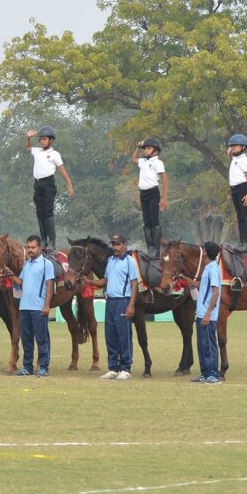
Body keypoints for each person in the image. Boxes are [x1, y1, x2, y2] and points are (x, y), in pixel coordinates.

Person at [89, 233, 139, 380]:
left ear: (124, 245)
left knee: (124, 335)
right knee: (110, 335)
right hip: (110, 301)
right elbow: (105, 280)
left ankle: (126, 368)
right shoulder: (110, 260)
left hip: (123, 301)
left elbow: (134, 284)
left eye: (118, 244)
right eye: (113, 244)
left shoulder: (129, 261)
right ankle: (113, 368)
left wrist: (131, 306)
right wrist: (90, 282)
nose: (115, 247)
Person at [11, 235, 55, 377]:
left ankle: (43, 366)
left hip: (39, 307)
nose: (30, 250)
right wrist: (10, 274)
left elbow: (49, 285)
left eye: (33, 247)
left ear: (40, 248)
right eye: (28, 247)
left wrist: (47, 305)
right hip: (24, 307)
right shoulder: (27, 264)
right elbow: (21, 282)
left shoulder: (46, 264)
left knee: (41, 338)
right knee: (26, 338)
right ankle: (27, 367)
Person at [25, 127, 75, 251]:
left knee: (48, 212)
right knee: (39, 212)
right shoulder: (37, 151)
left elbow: (62, 170)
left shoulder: (54, 154)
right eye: (41, 139)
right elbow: (28, 147)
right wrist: (28, 137)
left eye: (45, 139)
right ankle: (43, 240)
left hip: (48, 184)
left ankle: (52, 241)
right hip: (37, 184)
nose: (42, 141)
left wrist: (70, 185)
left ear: (50, 140)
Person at [194, 241, 223, 384]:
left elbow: (216, 291)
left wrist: (208, 314)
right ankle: (205, 373)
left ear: (206, 251)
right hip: (200, 313)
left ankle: (214, 374)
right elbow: (203, 286)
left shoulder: (213, 269)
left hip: (207, 315)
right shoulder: (207, 268)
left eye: (203, 249)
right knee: (202, 344)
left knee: (209, 344)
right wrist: (188, 282)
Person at [132, 139, 168, 257]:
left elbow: (164, 179)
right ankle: (150, 248)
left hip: (153, 192)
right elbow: (134, 159)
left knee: (154, 221)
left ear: (155, 150)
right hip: (143, 193)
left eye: (148, 148)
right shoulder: (143, 161)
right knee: (146, 222)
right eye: (145, 148)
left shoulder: (157, 162)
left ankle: (156, 249)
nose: (146, 150)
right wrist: (138, 147)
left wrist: (164, 198)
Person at [227, 133, 247, 249]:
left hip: (242, 188)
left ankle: (246, 242)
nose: (233, 147)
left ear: (242, 147)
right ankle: (242, 241)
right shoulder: (235, 159)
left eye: (235, 146)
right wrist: (229, 154)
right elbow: (232, 161)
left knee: (244, 216)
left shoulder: (244, 159)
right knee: (239, 216)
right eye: (232, 146)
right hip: (234, 189)